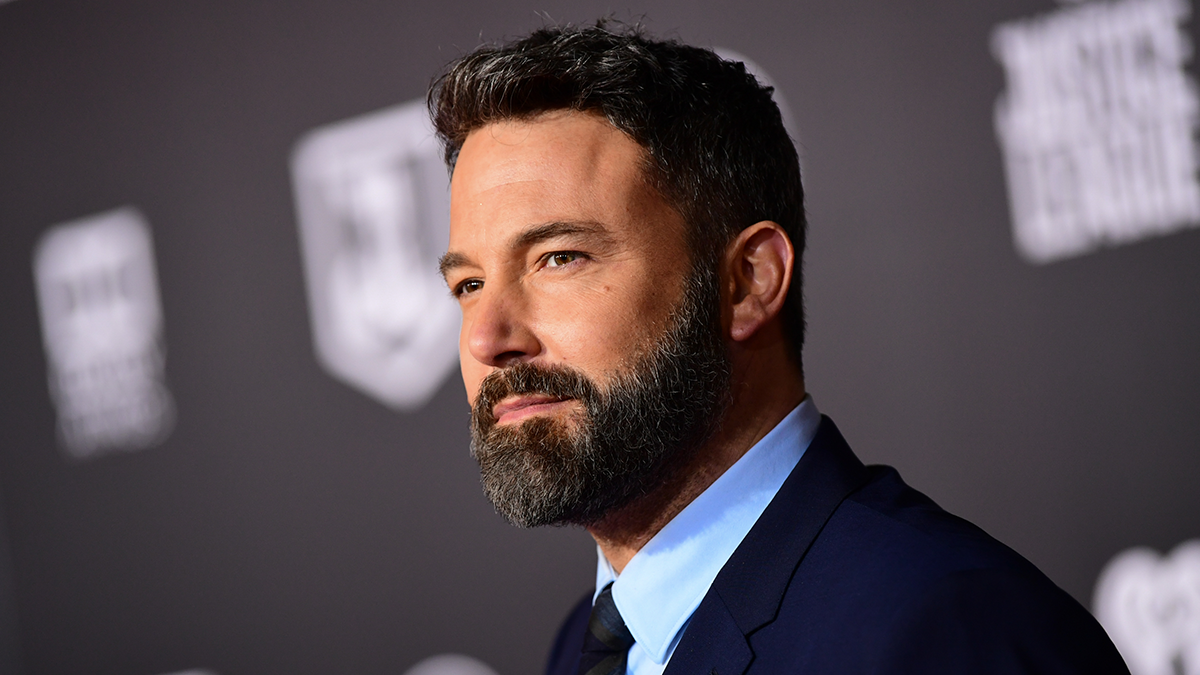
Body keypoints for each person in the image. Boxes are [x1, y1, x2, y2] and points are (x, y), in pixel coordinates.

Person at [429, 21, 1129, 675]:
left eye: (559, 258)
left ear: (747, 282)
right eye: (469, 284)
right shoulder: (588, 644)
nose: (488, 338)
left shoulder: (944, 630)